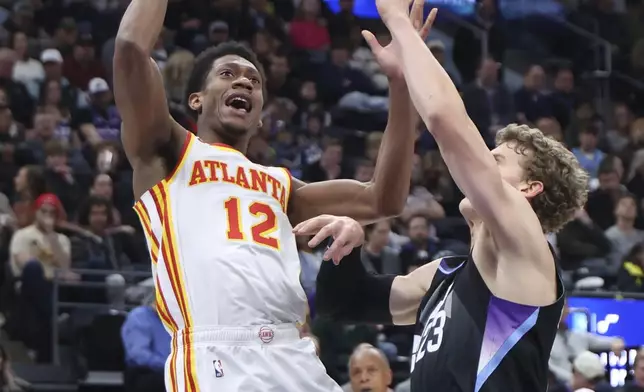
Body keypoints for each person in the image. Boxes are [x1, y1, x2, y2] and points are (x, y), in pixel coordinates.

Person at [112, 0, 431, 390]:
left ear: (261, 114)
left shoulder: (280, 185)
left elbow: (383, 199)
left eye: (254, 80)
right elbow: (130, 49)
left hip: (291, 351)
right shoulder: (170, 152)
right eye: (227, 74)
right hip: (216, 352)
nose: (243, 81)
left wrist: (401, 85)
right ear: (196, 99)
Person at [300, 2, 589, 391]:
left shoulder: (527, 252)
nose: (477, 167)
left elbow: (445, 121)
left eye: (494, 161)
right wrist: (347, 243)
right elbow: (345, 303)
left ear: (528, 190)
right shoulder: (444, 275)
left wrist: (398, 21)